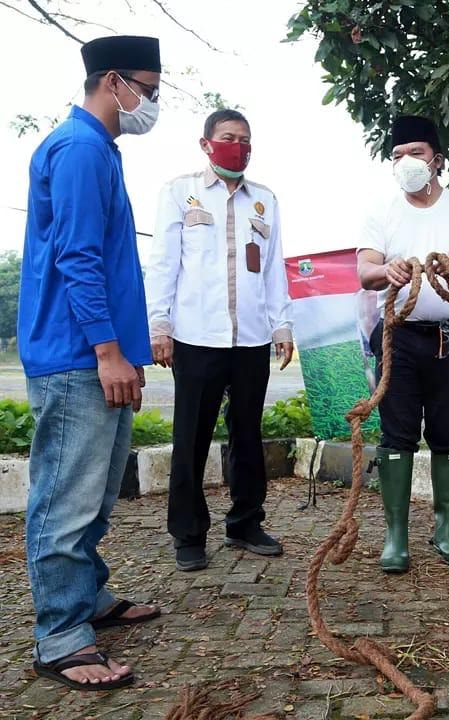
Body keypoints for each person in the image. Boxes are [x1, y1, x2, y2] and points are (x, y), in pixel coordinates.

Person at [19, 35, 163, 691]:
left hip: (106, 357)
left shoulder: (99, 150)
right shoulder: (78, 149)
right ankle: (60, 637)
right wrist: (108, 351)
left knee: (97, 495)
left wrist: (126, 352)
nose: (150, 103)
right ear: (113, 81)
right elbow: (77, 259)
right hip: (79, 357)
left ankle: (89, 600)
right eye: (147, 88)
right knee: (66, 501)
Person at [145, 109, 294, 572]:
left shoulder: (264, 200)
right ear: (206, 143)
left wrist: (281, 326)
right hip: (196, 336)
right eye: (228, 137)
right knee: (190, 438)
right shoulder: (180, 192)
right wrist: (159, 326)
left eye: (246, 139)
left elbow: (273, 270)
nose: (239, 146)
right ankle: (189, 534)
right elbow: (164, 263)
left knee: (248, 435)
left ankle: (246, 522)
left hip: (249, 339)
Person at [356, 115, 449, 573]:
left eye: (414, 153)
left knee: (447, 434)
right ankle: (396, 536)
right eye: (397, 156)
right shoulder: (381, 211)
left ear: (437, 159)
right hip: (399, 338)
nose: (405, 162)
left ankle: (445, 529)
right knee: (396, 435)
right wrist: (388, 270)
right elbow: (365, 270)